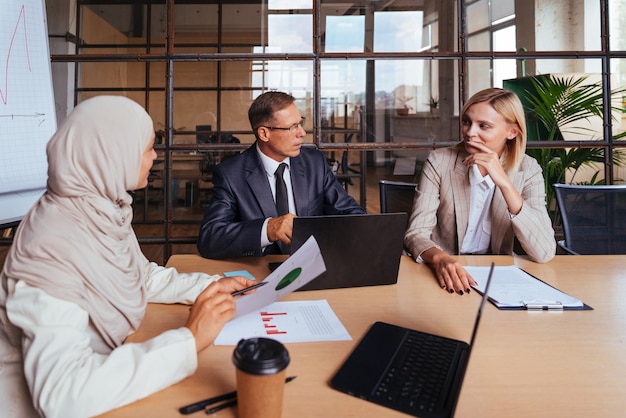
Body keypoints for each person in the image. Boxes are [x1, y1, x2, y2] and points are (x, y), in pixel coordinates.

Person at [0, 96, 256, 417]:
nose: (154, 157)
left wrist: (211, 287)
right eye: (148, 148)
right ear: (112, 154)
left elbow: (141, 276)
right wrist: (188, 340)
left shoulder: (98, 209)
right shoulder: (50, 247)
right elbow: (64, 396)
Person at [404, 87, 556, 295]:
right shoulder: (440, 162)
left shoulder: (528, 169)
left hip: (497, 278)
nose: (469, 132)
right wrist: (440, 258)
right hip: (443, 272)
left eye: (484, 126)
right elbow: (416, 233)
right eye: (467, 122)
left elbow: (544, 252)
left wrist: (504, 183)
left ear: (512, 132)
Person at [197, 91, 365, 259]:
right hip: (259, 273)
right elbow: (210, 238)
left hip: (314, 266)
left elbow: (349, 213)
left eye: (300, 124)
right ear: (264, 133)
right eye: (292, 127)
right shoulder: (231, 174)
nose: (302, 133)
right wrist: (267, 229)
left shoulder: (314, 163)